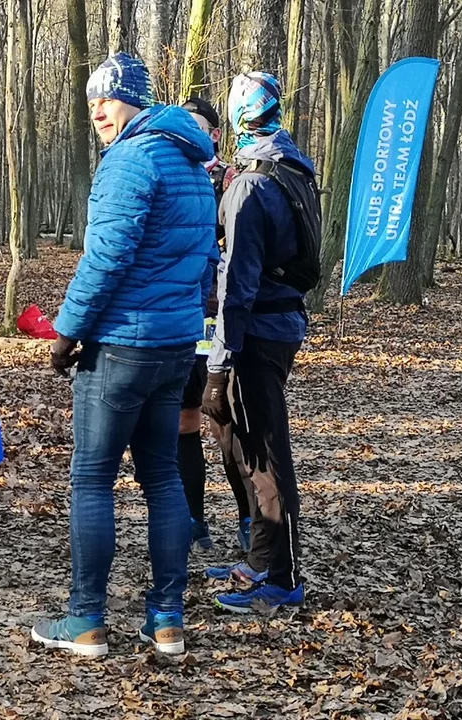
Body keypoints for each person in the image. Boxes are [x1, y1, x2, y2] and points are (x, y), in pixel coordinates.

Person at [30, 53, 219, 658]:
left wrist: (66, 332)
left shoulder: (131, 159)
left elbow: (106, 256)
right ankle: (167, 620)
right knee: (163, 477)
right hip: (174, 347)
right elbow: (203, 261)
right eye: (91, 105)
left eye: (106, 101)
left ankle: (85, 619)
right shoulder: (193, 161)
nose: (98, 114)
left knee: (92, 480)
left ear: (133, 99)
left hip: (122, 347)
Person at [201, 72, 320, 613]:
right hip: (281, 323)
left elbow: (237, 284)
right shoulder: (291, 165)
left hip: (255, 333)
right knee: (251, 448)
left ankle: (283, 577)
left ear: (236, 118)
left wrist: (220, 365)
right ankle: (259, 559)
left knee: (267, 457)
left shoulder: (253, 186)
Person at [176, 96, 253, 553]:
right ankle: (193, 522)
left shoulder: (235, 181)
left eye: (198, 125)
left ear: (215, 134)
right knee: (184, 420)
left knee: (227, 421)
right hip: (182, 317)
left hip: (223, 317)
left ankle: (249, 520)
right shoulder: (170, 175)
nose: (190, 132)